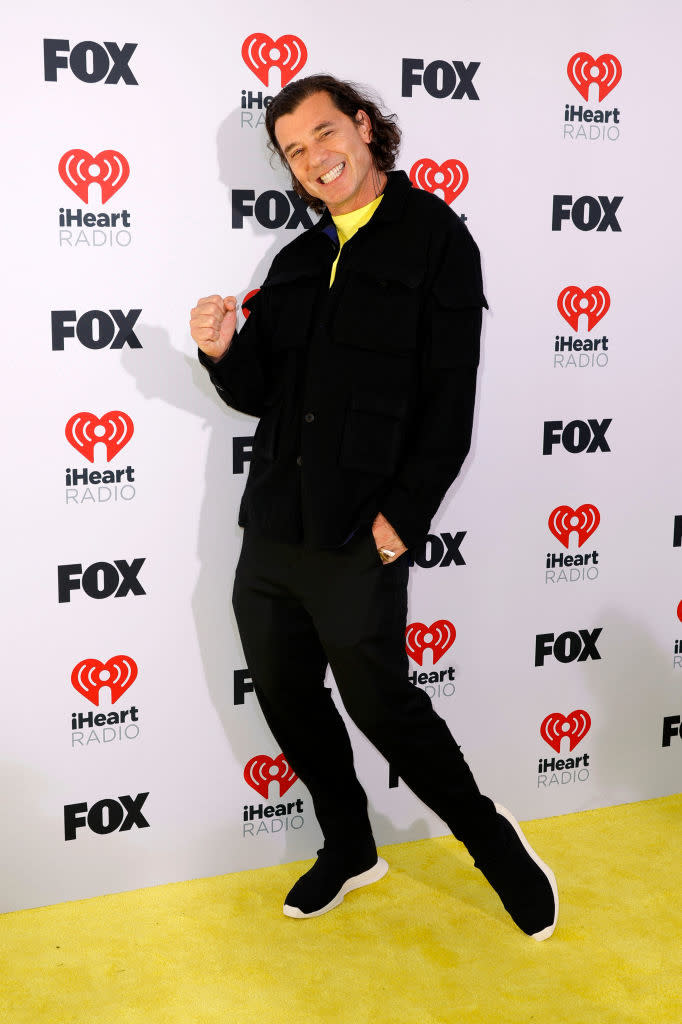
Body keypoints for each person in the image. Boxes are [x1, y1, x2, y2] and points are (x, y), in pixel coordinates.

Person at [190, 74, 558, 939]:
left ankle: (495, 846)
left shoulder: (437, 239)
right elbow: (259, 395)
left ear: (363, 127)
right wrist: (219, 352)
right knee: (284, 693)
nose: (315, 157)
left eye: (325, 133)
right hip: (273, 530)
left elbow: (449, 402)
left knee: (385, 706)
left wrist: (405, 515)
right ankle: (350, 846)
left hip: (364, 530)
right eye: (294, 150)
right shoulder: (293, 260)